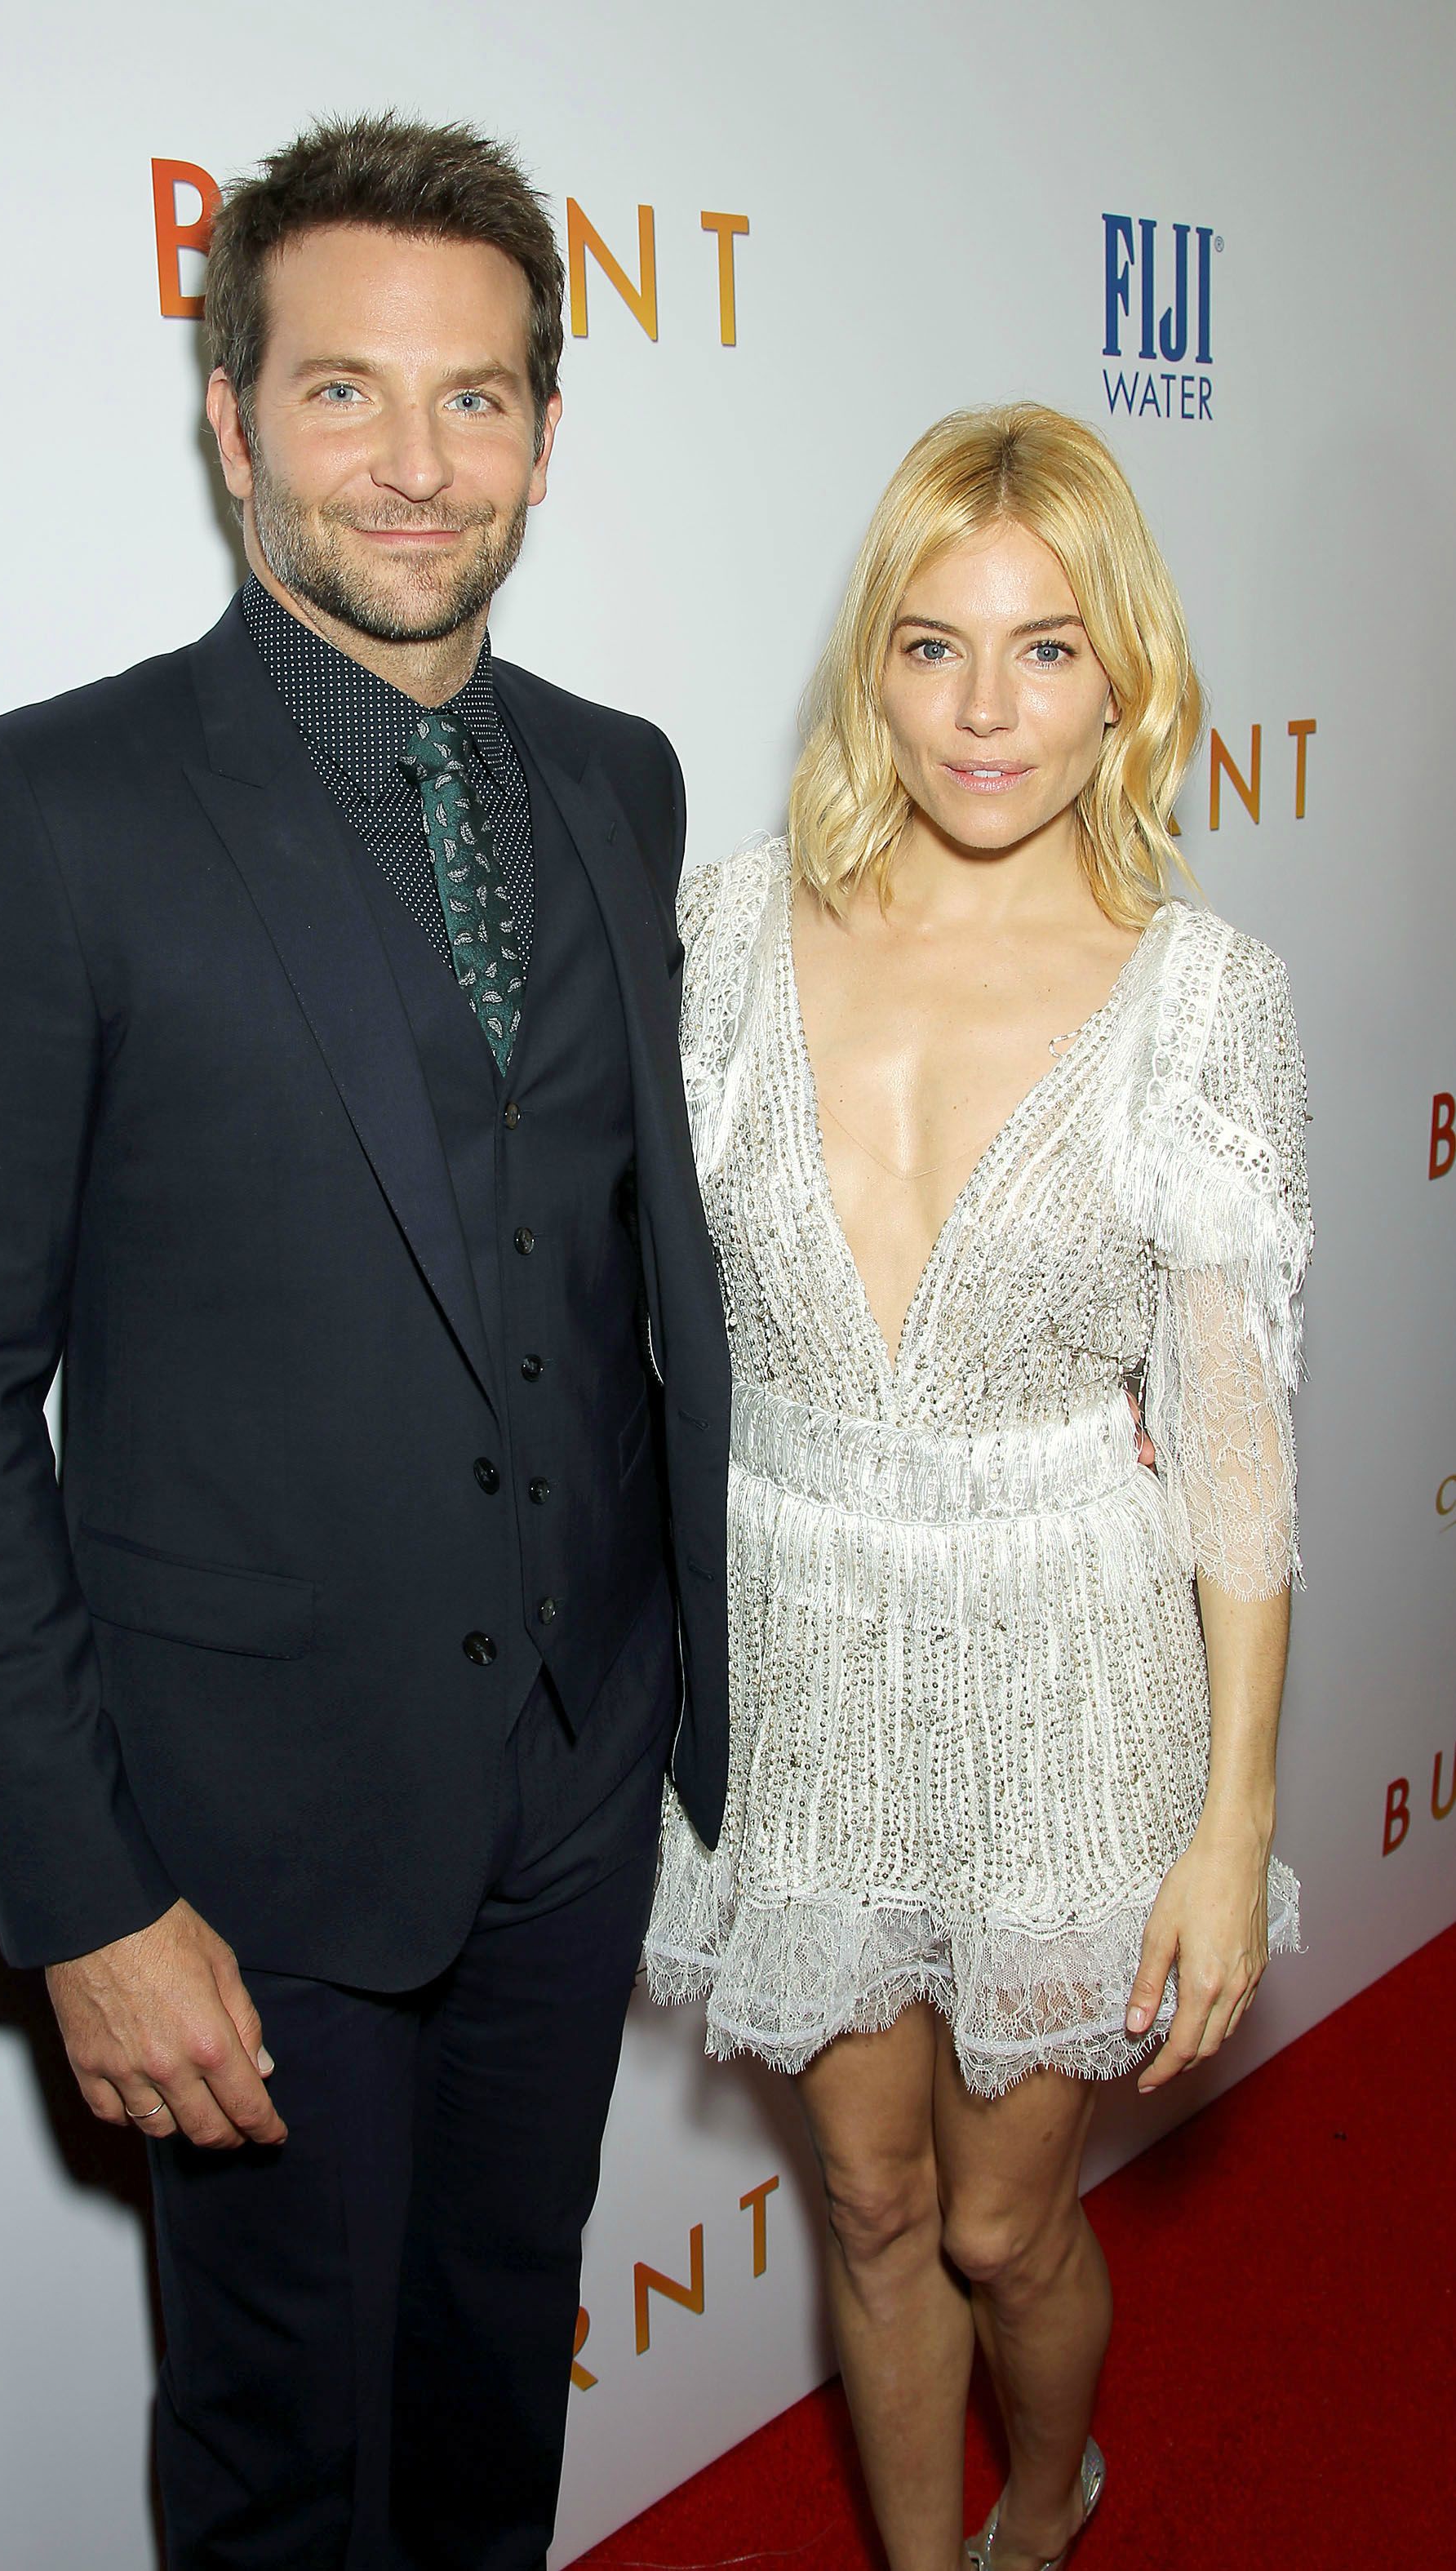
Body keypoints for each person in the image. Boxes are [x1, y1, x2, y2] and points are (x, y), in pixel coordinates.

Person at [0, 113, 730, 2571]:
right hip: (239, 1844)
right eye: (345, 391)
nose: (416, 462)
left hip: (578, 1790)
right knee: (280, 2460)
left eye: (474, 398)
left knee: (494, 2372)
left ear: (544, 431)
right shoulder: (41, 811)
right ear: (232, 417)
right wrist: (81, 1896)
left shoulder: (624, 782)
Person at [646, 404, 1310, 2571]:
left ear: (1126, 674)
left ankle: (1047, 2494)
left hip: (1064, 1673)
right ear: (875, 663)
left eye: (1045, 649)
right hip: (799, 1655)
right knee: (867, 2197)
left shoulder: (1199, 1001)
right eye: (933, 646)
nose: (984, 711)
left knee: (1006, 2225)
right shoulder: (724, 935)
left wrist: (1231, 1824)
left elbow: (1233, 1450)